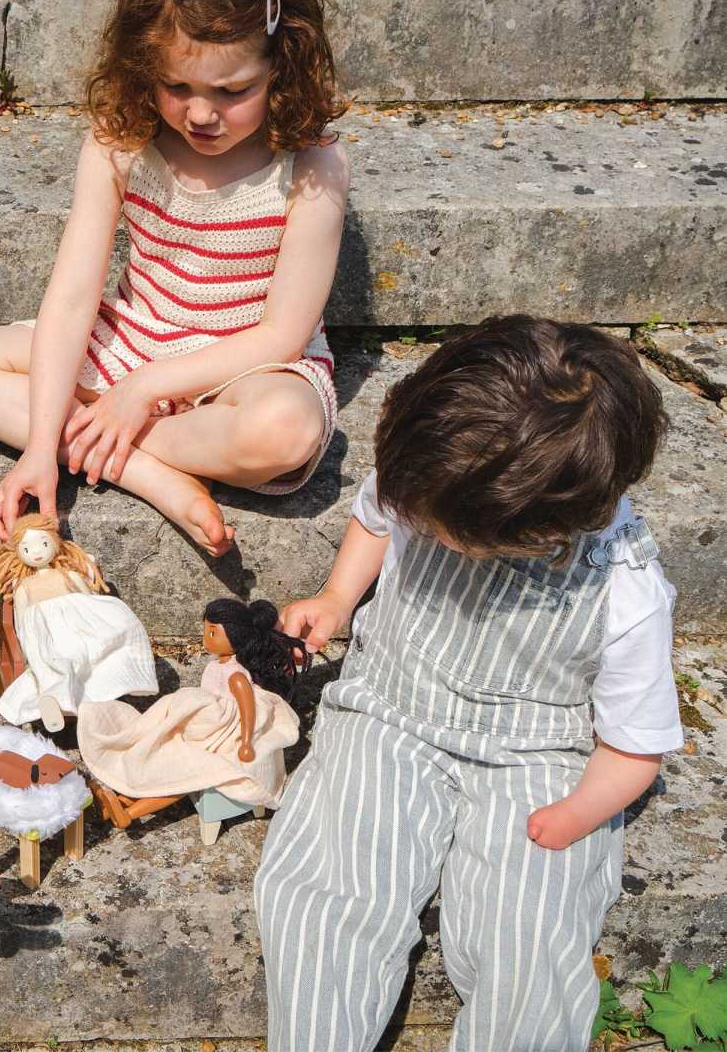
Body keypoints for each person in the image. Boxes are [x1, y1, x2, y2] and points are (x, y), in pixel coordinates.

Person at [256, 316, 683, 1052]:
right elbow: (376, 518)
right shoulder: (438, 465)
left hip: (534, 750)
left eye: (430, 520)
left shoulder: (622, 586)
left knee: (532, 931)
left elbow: (633, 746)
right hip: (390, 708)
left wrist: (581, 812)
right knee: (331, 889)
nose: (409, 513)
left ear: (535, 535)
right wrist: (335, 598)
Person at [0, 0, 349, 555]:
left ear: (282, 60)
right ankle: (146, 472)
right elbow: (71, 298)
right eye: (176, 86)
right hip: (133, 340)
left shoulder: (311, 166)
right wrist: (39, 447)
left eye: (232, 90)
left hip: (241, 367)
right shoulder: (119, 143)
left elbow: (281, 334)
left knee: (284, 433)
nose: (201, 114)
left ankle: (104, 438)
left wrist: (140, 394)